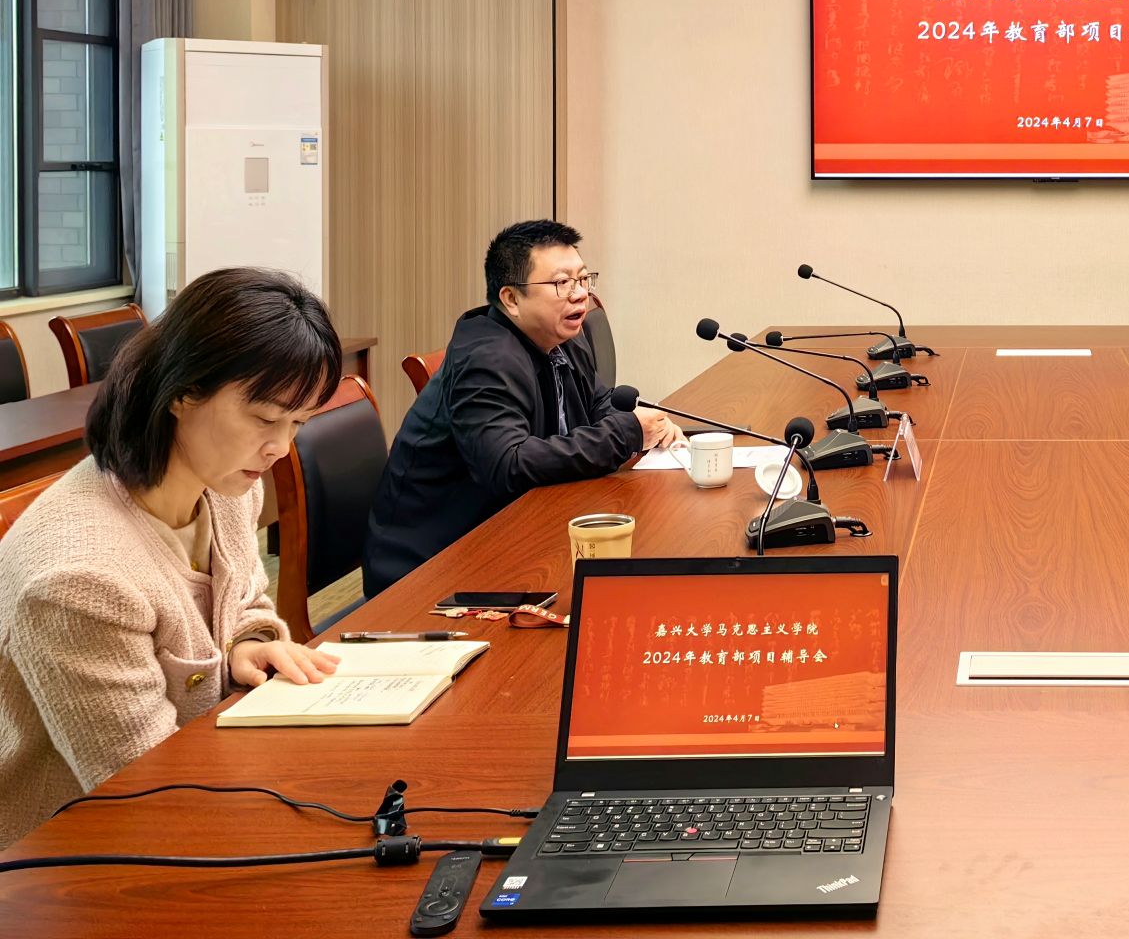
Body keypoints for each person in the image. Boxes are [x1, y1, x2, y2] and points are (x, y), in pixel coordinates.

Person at [0, 268, 344, 849]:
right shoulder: (78, 579)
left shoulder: (226, 486)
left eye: (297, 423)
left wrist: (247, 645)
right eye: (265, 418)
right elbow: (146, 790)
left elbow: (244, 600)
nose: (280, 447)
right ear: (183, 392)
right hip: (64, 854)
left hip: (195, 787)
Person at [361, 220, 680, 596]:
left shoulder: (562, 337)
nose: (580, 294)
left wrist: (642, 428)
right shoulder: (486, 360)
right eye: (562, 283)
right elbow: (508, 464)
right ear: (511, 299)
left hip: (510, 532)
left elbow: (597, 403)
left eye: (583, 279)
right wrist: (626, 432)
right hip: (429, 566)